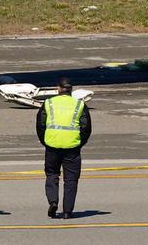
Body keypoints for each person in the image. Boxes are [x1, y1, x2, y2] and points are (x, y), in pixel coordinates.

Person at [36, 77, 91, 219]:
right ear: (71, 90)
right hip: (72, 146)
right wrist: (79, 142)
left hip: (52, 145)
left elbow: (40, 125)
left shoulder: (48, 103)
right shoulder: (79, 105)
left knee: (52, 174)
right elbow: (86, 128)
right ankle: (67, 211)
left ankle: (53, 201)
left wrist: (46, 141)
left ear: (59, 89)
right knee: (71, 179)